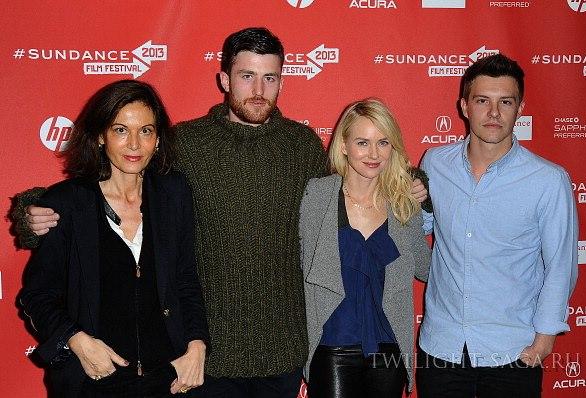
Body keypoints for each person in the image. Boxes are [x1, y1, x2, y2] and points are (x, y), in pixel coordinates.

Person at [16, 28, 429, 398]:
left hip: (282, 350)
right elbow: (118, 183)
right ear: (224, 79)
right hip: (201, 354)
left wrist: (411, 183)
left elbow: (355, 184)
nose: (259, 90)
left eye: (271, 78)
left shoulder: (301, 145)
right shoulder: (185, 143)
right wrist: (34, 211)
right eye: (247, 76)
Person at [18, 80, 209, 397]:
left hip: (168, 377)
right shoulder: (67, 203)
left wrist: (198, 343)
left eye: (146, 131)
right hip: (93, 376)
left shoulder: (174, 192)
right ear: (99, 136)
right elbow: (38, 294)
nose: (135, 144)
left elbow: (186, 278)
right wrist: (76, 340)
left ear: (158, 139)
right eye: (121, 130)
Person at [416, 54, 579, 398]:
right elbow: (421, 231)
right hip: (441, 348)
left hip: (513, 351)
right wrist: (411, 204)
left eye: (505, 102)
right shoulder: (435, 163)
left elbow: (561, 266)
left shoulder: (548, 180)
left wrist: (543, 342)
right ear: (464, 106)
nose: (493, 113)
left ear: (520, 108)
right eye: (482, 101)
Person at [300, 99, 431, 397]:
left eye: (383, 142)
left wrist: (426, 207)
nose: (373, 154)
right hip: (332, 344)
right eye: (363, 142)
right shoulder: (318, 195)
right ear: (344, 145)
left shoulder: (402, 203)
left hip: (388, 348)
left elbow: (426, 267)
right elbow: (299, 262)